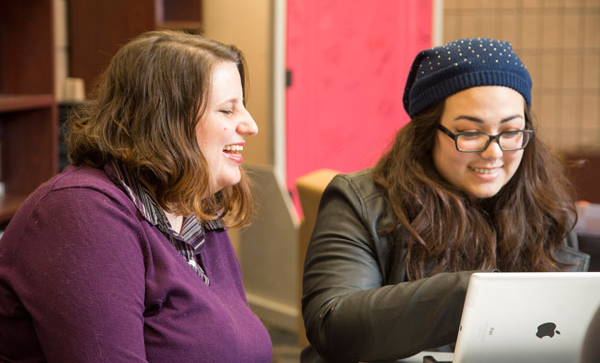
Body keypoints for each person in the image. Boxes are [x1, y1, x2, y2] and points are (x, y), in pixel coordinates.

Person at [301, 38, 590, 363]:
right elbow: (333, 325)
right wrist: (474, 294)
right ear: (426, 133)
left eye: (511, 132)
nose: (494, 152)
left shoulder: (544, 208)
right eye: (469, 133)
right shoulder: (362, 201)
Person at [0, 30, 272, 362]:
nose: (251, 125)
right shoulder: (82, 214)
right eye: (227, 111)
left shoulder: (193, 205)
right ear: (167, 122)